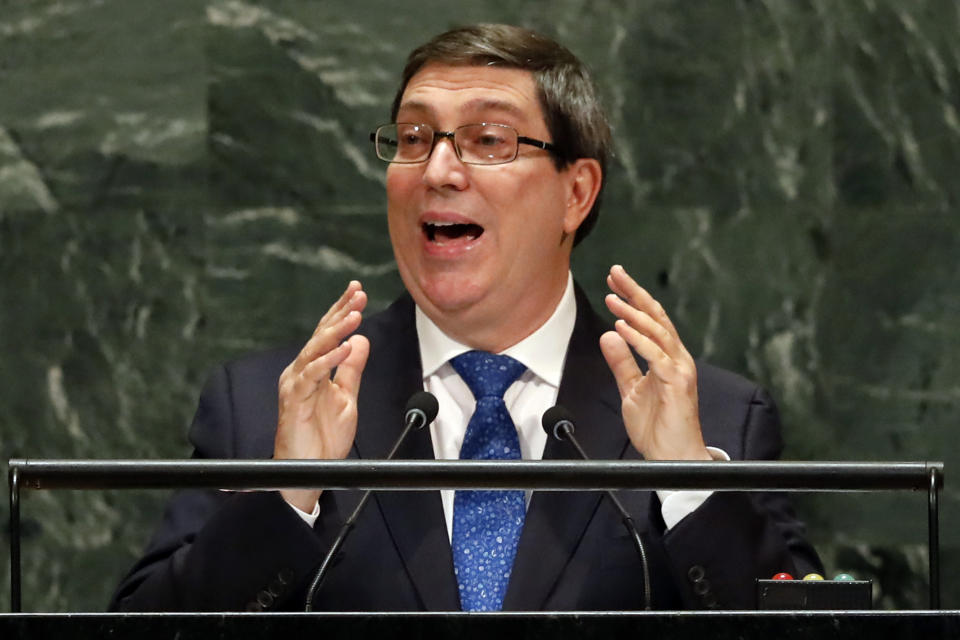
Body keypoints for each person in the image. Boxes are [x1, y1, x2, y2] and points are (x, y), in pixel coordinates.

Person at [111, 23, 820, 612]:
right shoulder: (263, 407)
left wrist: (688, 483)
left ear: (576, 193)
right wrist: (287, 491)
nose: (438, 171)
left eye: (488, 141)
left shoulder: (718, 424)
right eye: (414, 138)